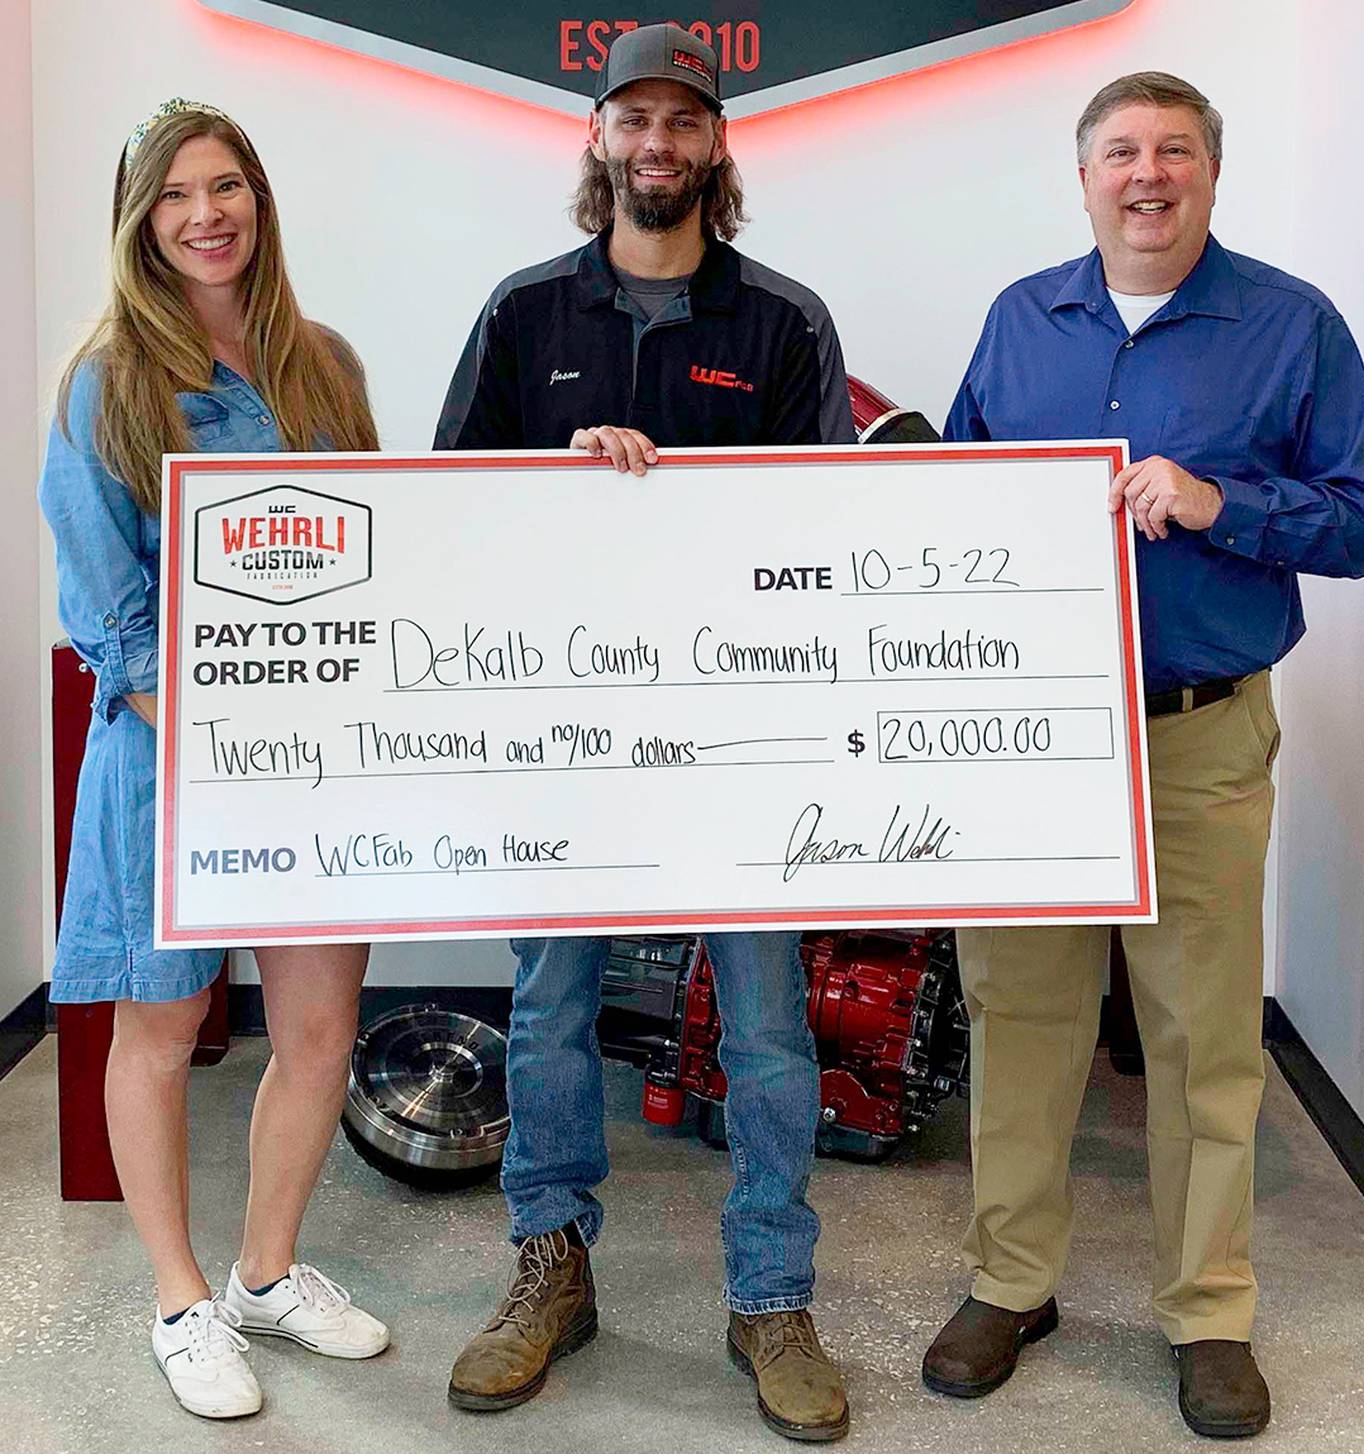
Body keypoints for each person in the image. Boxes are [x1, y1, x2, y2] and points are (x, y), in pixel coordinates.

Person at [922, 72, 1364, 1439]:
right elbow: (959, 492)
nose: (1148, 173)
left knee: (1202, 1039)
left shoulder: (1291, 327)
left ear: (1210, 174)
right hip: (1031, 737)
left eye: (1174, 150)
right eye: (1121, 151)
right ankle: (1012, 1280)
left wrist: (1220, 502)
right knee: (1021, 1016)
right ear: (1083, 179)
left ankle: (1210, 1308)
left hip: (1198, 735)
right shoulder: (1025, 318)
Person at [434, 25, 852, 1443]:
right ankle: (550, 1267)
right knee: (549, 1008)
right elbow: (453, 520)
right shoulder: (523, 316)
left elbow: (827, 540)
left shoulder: (785, 322)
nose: (659, 144)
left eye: (686, 120)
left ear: (718, 144)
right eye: (636, 120)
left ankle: (770, 1296)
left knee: (769, 1025)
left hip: (740, 753)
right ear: (599, 140)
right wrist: (563, 486)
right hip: (566, 744)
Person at [39, 99, 389, 1420]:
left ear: (258, 200)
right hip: (163, 764)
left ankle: (264, 1273)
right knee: (163, 1024)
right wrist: (219, 737)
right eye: (177, 192)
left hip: (314, 771)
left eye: (226, 184)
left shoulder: (323, 368)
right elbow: (110, 612)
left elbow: (378, 554)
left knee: (316, 1028)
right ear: (141, 220)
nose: (206, 213)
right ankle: (183, 1300)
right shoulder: (109, 380)